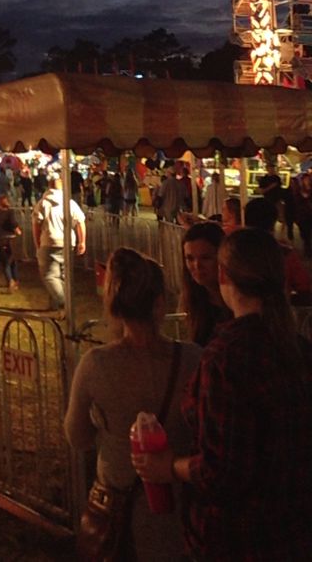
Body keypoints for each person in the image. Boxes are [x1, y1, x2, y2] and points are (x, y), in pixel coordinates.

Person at [132, 228, 312, 561]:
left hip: (239, 536)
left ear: (224, 275)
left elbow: (222, 471)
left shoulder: (227, 358)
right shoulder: (295, 346)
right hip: (293, 524)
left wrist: (169, 466)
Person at [65, 248, 201, 562]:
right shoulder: (194, 359)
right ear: (159, 304)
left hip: (119, 512)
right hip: (182, 507)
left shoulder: (96, 365)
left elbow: (77, 437)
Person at [32, 166, 86, 310]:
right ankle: (57, 305)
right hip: (68, 242)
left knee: (49, 276)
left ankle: (64, 302)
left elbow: (36, 225)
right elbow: (80, 222)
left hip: (49, 242)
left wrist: (38, 244)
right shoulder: (70, 203)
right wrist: (82, 241)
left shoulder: (43, 203)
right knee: (63, 276)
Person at [245, 197, 312, 306]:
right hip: (277, 316)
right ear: (273, 221)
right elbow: (304, 289)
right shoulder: (285, 253)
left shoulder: (232, 251)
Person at [181, 222, 232, 346]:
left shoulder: (237, 302)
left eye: (205, 258)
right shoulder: (196, 299)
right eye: (190, 258)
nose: (197, 266)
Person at [0, 194, 21, 291]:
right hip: (10, 239)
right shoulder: (10, 213)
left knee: (5, 262)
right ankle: (14, 280)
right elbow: (13, 224)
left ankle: (12, 280)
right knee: (12, 262)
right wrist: (18, 230)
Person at [291, 170, 312, 257]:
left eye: (308, 180)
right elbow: (296, 202)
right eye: (305, 180)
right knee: (304, 233)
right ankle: (307, 249)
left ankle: (308, 250)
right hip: (303, 215)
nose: (306, 181)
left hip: (310, 215)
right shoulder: (298, 191)